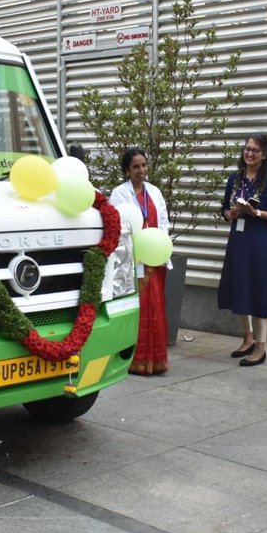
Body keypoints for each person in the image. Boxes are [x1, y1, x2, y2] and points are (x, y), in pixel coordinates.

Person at [217, 134, 267, 366]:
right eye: (247, 149)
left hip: (262, 241)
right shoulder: (235, 178)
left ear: (264, 154)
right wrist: (231, 213)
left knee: (259, 288)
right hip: (239, 240)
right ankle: (247, 339)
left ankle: (261, 347)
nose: (249, 154)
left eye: (255, 150)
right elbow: (224, 208)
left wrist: (255, 213)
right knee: (240, 285)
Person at [111, 148, 171, 376]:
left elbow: (164, 222)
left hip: (154, 260)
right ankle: (135, 360)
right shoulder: (119, 194)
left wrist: (157, 242)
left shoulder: (154, 192)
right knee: (139, 309)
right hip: (134, 261)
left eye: (144, 165)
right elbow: (118, 226)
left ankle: (157, 360)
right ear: (127, 170)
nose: (142, 170)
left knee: (156, 309)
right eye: (136, 166)